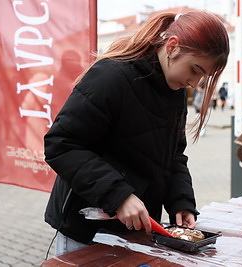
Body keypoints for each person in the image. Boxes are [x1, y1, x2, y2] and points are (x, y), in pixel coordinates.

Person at [43, 11, 229, 256]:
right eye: (195, 70)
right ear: (173, 47)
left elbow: (173, 156)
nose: (196, 83)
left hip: (137, 232)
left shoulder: (174, 92)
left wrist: (181, 202)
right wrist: (118, 196)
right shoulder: (112, 76)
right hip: (88, 228)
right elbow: (62, 144)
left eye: (203, 76)